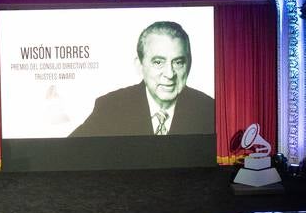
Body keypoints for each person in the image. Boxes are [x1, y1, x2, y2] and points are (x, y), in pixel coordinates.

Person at [69, 20, 214, 137]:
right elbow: (66, 154)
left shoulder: (210, 111)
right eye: (158, 62)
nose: (169, 74)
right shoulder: (110, 108)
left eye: (178, 62)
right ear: (140, 66)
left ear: (189, 65)